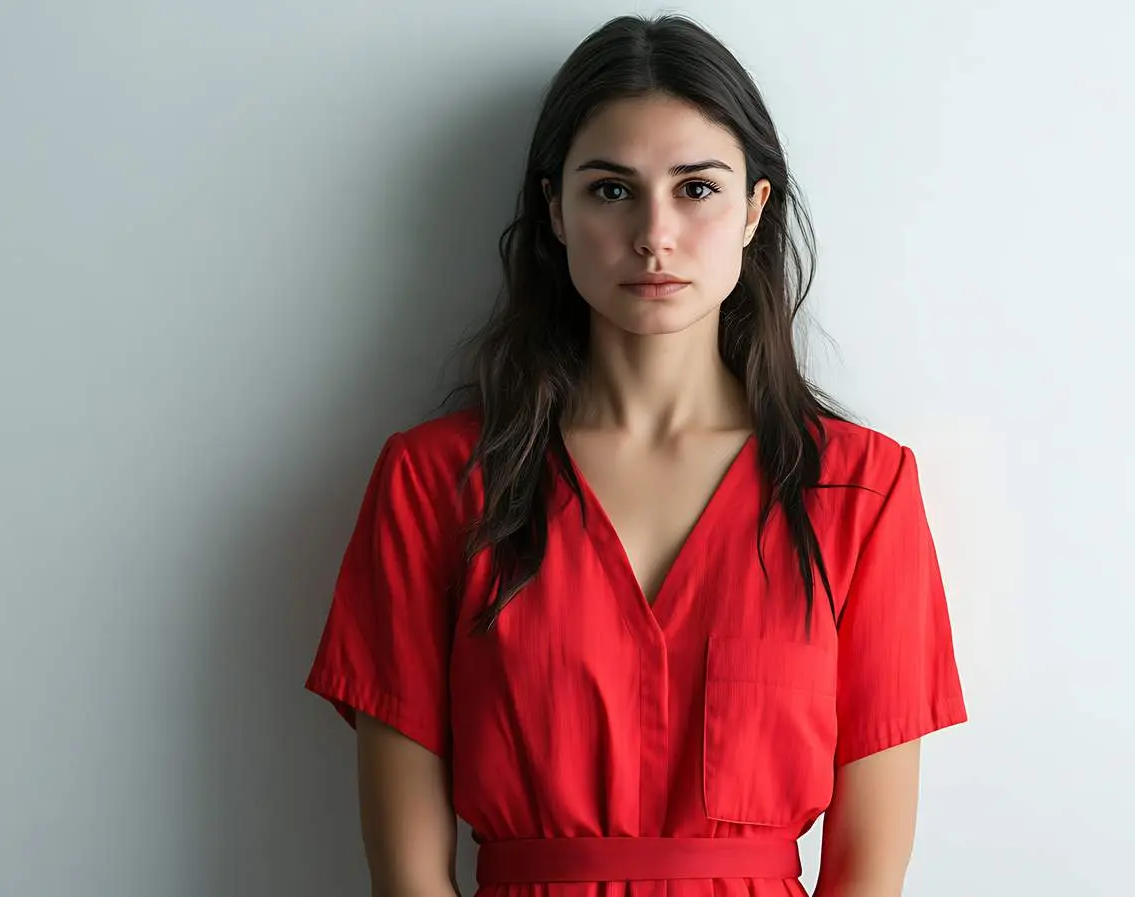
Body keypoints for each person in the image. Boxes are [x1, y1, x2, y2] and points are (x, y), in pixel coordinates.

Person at [305, 13, 967, 897]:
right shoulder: (434, 483)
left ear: (753, 210)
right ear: (555, 209)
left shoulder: (861, 488)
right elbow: (408, 878)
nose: (655, 234)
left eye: (697, 189)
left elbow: (868, 873)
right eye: (612, 190)